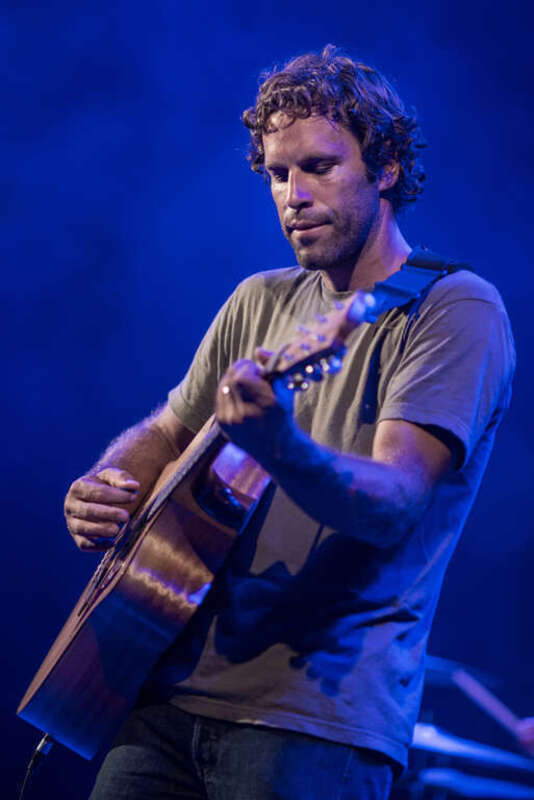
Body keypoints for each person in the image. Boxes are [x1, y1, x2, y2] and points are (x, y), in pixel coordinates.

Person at [64, 45, 515, 799]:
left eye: (318, 166)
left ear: (386, 167)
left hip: (315, 718)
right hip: (168, 686)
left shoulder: (455, 308)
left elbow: (396, 502)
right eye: (277, 174)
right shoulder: (260, 298)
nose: (292, 195)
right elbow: (171, 427)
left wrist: (281, 446)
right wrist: (109, 482)